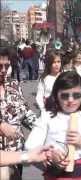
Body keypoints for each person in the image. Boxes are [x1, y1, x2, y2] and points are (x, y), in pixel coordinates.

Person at [25, 71, 81, 180]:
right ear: (56, 95)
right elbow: (30, 145)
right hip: (55, 174)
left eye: (76, 95)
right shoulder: (47, 116)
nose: (71, 100)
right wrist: (48, 154)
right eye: (65, 95)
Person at [0, 47, 37, 178]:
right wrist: (1, 126)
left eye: (7, 66)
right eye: (0, 66)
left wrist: (45, 128)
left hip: (16, 152)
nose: (4, 70)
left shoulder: (14, 85)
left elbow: (25, 112)